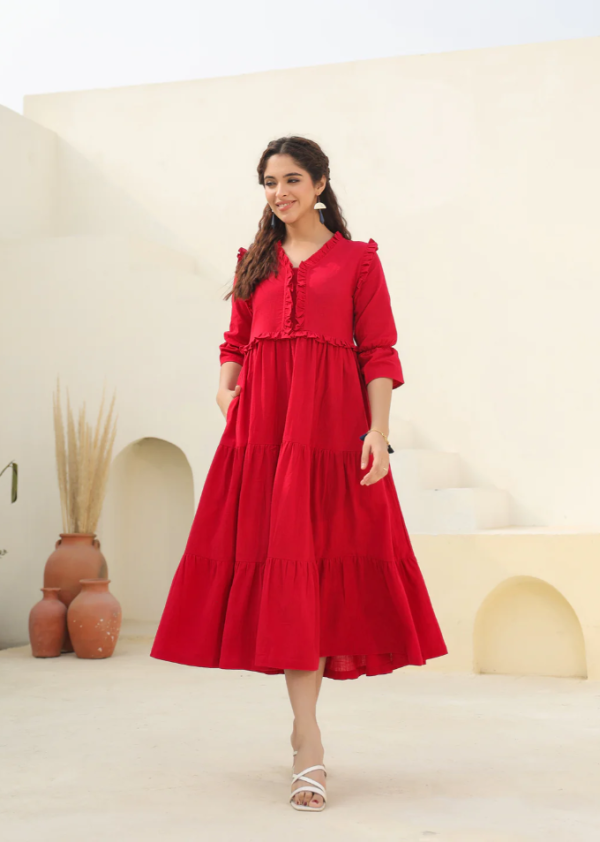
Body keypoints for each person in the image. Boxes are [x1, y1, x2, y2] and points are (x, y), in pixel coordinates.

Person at [150, 135, 448, 812]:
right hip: (262, 434)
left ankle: (304, 737)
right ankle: (307, 737)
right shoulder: (254, 260)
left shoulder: (358, 261)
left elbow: (378, 350)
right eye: (268, 182)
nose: (278, 192)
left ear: (319, 184)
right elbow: (234, 342)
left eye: (290, 179)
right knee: (284, 571)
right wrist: (225, 390)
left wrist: (378, 432)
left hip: (332, 433)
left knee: (315, 569)